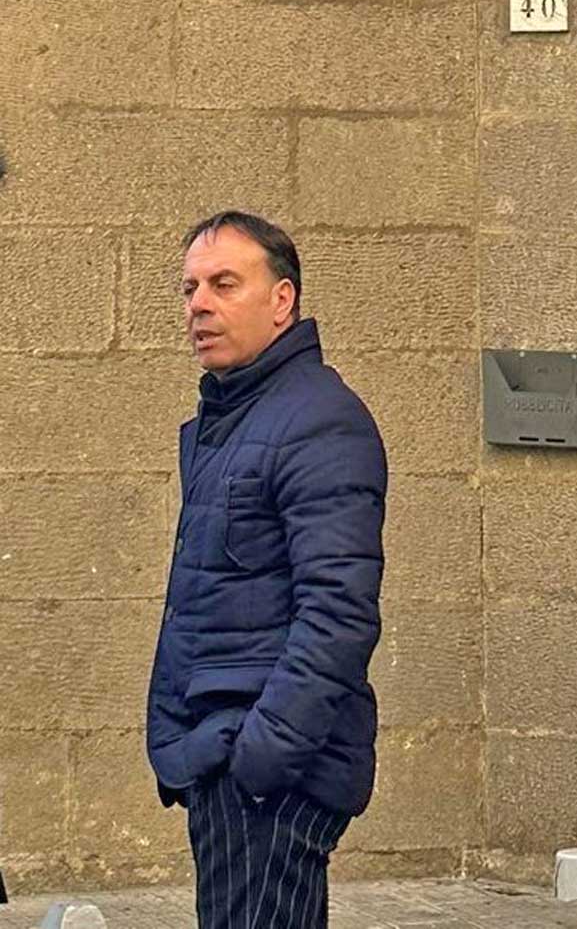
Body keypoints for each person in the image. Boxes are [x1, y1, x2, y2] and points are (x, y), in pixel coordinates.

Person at [145, 210, 387, 929]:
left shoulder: (317, 421)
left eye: (224, 284)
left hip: (267, 778)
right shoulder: (233, 421)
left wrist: (259, 759)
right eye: (190, 288)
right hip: (224, 764)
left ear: (282, 300)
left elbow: (338, 614)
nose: (199, 305)